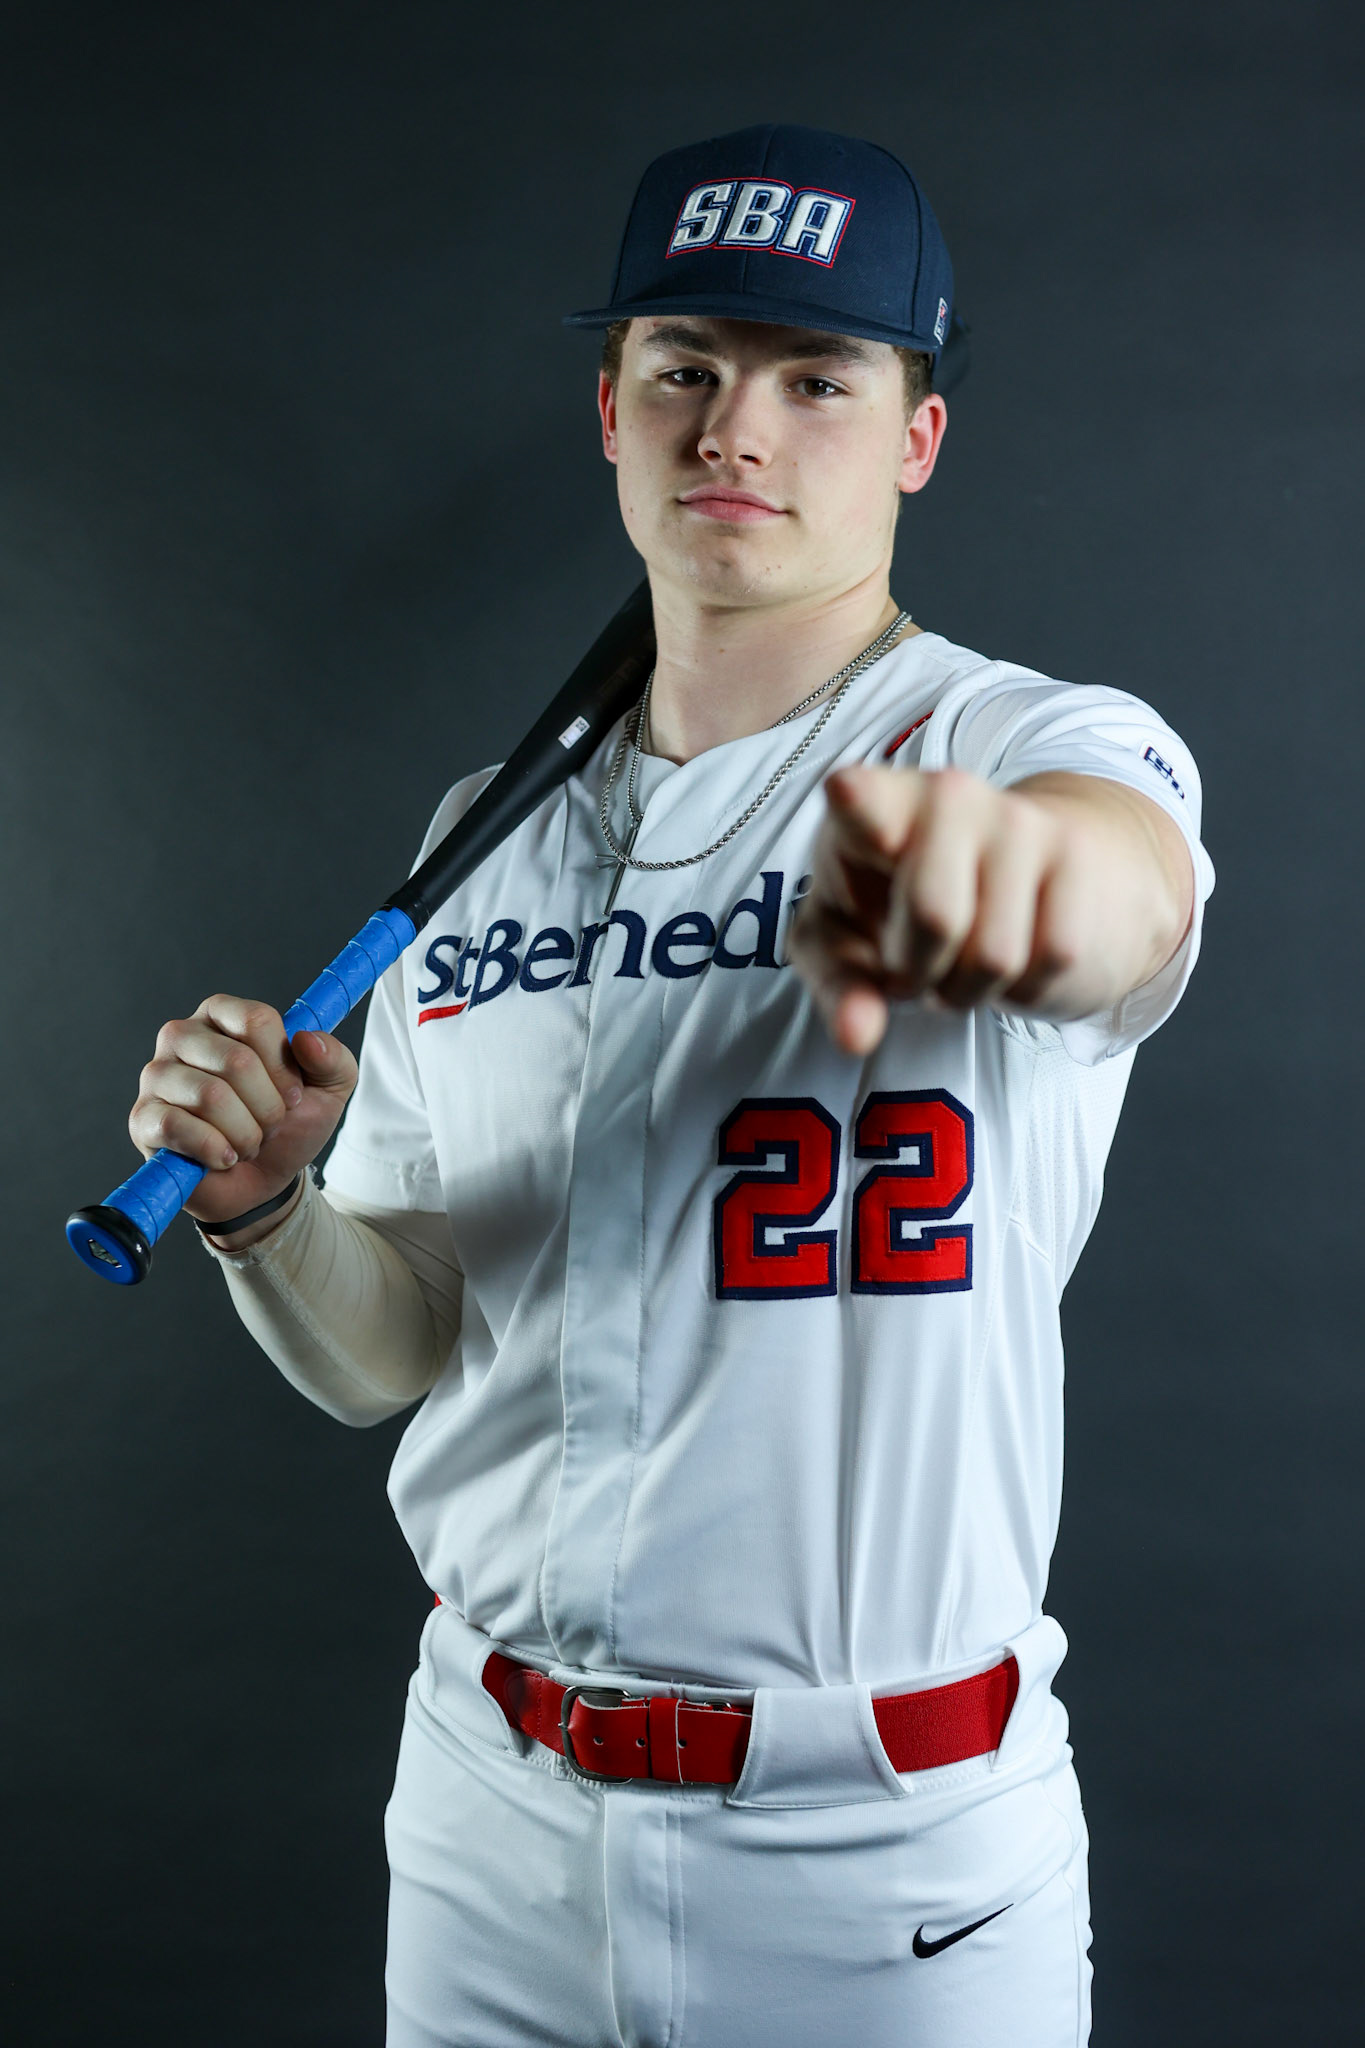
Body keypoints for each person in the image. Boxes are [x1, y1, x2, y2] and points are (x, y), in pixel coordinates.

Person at [127, 125, 1212, 2047]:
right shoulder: (479, 842)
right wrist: (270, 1209)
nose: (738, 428)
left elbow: (1115, 895)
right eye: (686, 368)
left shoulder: (1014, 739)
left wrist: (1014, 882)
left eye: (817, 379)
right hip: (486, 1814)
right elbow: (404, 1352)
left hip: (882, 1857)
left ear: (912, 441)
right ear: (608, 410)